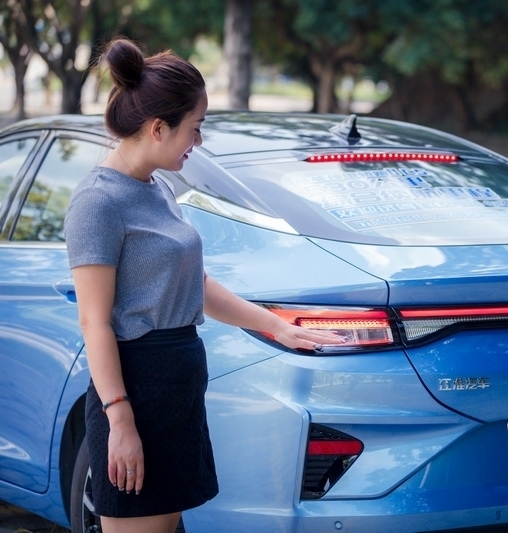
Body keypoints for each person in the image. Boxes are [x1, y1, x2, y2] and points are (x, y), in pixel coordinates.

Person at [64, 38, 342, 533]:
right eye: (195, 127)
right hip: (138, 394)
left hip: (177, 392)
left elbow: (197, 284)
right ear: (158, 128)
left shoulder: (158, 187)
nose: (199, 139)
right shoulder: (98, 202)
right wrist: (120, 420)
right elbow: (95, 322)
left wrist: (276, 326)